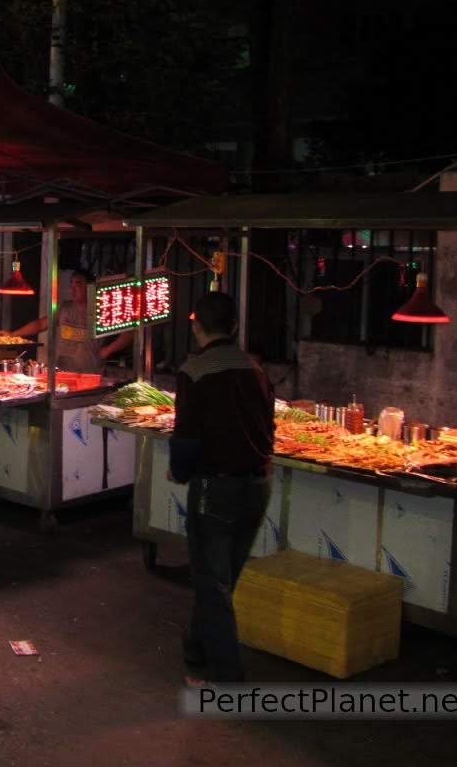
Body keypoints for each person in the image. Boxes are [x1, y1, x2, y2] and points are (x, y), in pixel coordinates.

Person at [169, 291, 274, 685]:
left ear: (197, 327)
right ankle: (197, 646)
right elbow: (269, 428)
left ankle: (228, 680)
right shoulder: (256, 369)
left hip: (217, 487)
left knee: (213, 583)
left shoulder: (194, 372)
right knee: (221, 576)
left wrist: (180, 471)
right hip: (259, 484)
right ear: (233, 327)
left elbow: (187, 434)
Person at [9, 269, 132, 373]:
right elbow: (41, 324)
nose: (72, 289)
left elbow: (129, 333)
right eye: (71, 284)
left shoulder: (103, 310)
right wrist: (13, 335)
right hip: (62, 372)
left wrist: (107, 351)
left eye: (77, 285)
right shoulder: (64, 308)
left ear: (90, 287)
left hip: (90, 374)